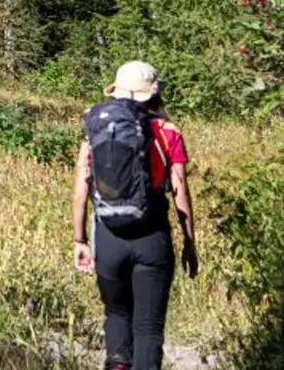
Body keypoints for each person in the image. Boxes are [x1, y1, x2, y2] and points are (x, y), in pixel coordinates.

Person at [69, 60, 198, 370]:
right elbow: (180, 191)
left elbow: (79, 191)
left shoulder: (97, 128)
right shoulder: (168, 132)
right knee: (148, 327)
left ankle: (116, 366)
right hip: (152, 239)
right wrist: (190, 242)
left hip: (109, 236)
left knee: (116, 314)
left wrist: (80, 239)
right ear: (153, 94)